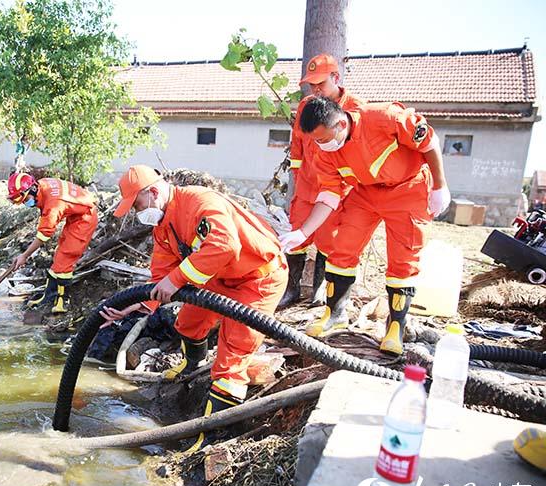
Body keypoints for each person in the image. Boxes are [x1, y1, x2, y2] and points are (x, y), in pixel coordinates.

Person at [101, 165, 287, 450]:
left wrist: (176, 280)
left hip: (257, 278)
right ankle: (192, 363)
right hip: (221, 279)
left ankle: (209, 440)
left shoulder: (200, 202)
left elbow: (225, 245)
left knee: (231, 362)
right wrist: (131, 307)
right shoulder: (163, 226)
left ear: (152, 192)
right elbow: (159, 280)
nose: (138, 213)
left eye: (137, 205)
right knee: (187, 323)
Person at [279, 97, 451, 355]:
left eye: (324, 139)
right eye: (316, 140)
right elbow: (328, 195)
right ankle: (335, 313)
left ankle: (396, 327)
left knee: (403, 261)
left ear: (339, 123)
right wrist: (303, 232)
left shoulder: (386, 118)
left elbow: (429, 142)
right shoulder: (325, 152)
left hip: (408, 188)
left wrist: (439, 185)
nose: (321, 146)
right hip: (366, 192)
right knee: (342, 249)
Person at [279, 53, 366, 308]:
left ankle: (319, 290)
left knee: (329, 240)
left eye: (321, 83)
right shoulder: (307, 105)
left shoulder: (356, 107)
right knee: (297, 236)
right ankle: (290, 289)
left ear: (336, 78)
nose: (316, 89)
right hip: (307, 187)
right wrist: (298, 176)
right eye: (312, 85)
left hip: (338, 189)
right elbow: (297, 146)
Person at [7, 172, 98, 314]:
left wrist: (24, 256)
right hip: (75, 215)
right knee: (58, 256)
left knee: (66, 257)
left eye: (25, 200)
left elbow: (44, 235)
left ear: (32, 189)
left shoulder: (53, 203)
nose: (26, 203)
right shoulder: (41, 185)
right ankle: (48, 297)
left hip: (85, 217)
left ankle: (62, 302)